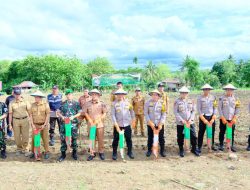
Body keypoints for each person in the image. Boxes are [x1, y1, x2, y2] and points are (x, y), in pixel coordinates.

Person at [174, 86, 200, 157]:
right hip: (181, 123)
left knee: (193, 136)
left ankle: (194, 149)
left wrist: (191, 119)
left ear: (187, 93)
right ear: (180, 93)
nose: (184, 94)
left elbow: (194, 111)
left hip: (190, 122)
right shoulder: (177, 101)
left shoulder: (191, 101)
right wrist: (182, 120)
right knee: (180, 137)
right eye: (182, 93)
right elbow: (176, 112)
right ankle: (181, 149)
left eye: (185, 93)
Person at [82, 89, 107, 161]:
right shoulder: (87, 103)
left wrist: (98, 120)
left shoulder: (102, 104)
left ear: (99, 95)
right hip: (91, 125)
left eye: (95, 94)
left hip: (99, 125)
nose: (94, 96)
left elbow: (104, 113)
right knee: (92, 139)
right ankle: (92, 153)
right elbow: (85, 112)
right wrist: (89, 120)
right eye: (92, 94)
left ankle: (101, 152)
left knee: (100, 139)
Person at [57, 89, 81, 162]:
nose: (69, 96)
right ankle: (63, 154)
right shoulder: (62, 103)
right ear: (66, 95)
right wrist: (62, 117)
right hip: (64, 124)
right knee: (63, 138)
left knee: (74, 138)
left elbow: (80, 113)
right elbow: (58, 112)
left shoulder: (76, 104)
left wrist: (73, 116)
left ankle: (74, 153)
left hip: (73, 124)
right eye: (67, 94)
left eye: (70, 94)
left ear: (72, 95)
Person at [111, 89, 135, 160]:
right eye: (118, 94)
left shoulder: (128, 103)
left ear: (124, 95)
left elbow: (132, 112)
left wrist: (133, 120)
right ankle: (114, 153)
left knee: (128, 139)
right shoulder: (114, 104)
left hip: (127, 125)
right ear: (116, 95)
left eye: (122, 94)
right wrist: (116, 125)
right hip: (118, 125)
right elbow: (113, 115)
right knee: (116, 139)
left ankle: (129, 152)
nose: (120, 95)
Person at [8, 87, 31, 156]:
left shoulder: (26, 102)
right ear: (14, 94)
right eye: (16, 94)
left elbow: (30, 112)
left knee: (25, 135)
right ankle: (19, 149)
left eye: (18, 94)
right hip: (15, 121)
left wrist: (31, 121)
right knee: (17, 136)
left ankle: (26, 149)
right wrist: (9, 124)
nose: (17, 96)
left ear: (20, 94)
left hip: (25, 120)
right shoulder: (11, 103)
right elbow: (10, 114)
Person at [144, 89, 167, 157]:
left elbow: (164, 114)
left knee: (161, 138)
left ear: (158, 96)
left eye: (156, 95)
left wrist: (161, 123)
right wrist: (150, 122)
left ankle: (162, 151)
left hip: (159, 124)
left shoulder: (162, 103)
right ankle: (149, 150)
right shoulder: (147, 103)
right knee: (150, 137)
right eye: (153, 94)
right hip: (150, 124)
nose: (154, 96)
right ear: (151, 95)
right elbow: (146, 113)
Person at [218, 84, 240, 152]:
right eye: (228, 89)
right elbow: (219, 108)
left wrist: (235, 117)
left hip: (232, 119)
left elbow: (237, 109)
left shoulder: (236, 99)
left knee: (231, 132)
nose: (229, 91)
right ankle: (221, 144)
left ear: (233, 91)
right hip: (224, 118)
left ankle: (231, 145)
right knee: (222, 131)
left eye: (231, 90)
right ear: (226, 90)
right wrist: (222, 117)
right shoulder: (221, 98)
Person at [29, 91, 50, 161]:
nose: (35, 98)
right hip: (35, 125)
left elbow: (48, 115)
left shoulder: (46, 104)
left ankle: (46, 152)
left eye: (37, 97)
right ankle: (33, 152)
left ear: (40, 98)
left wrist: (44, 124)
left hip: (44, 125)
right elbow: (30, 115)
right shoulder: (32, 105)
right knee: (34, 139)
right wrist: (32, 124)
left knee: (45, 139)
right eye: (35, 97)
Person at [197, 84, 217, 153]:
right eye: (205, 89)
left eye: (208, 89)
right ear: (203, 90)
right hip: (203, 117)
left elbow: (215, 108)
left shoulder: (213, 97)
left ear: (210, 90)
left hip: (211, 117)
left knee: (211, 132)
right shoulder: (200, 98)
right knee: (201, 132)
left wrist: (213, 117)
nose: (207, 91)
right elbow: (199, 110)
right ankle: (199, 146)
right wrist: (203, 119)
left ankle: (211, 145)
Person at [0, 93, 8, 159]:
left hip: (1, 125)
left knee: (1, 138)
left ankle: (3, 151)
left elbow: (5, 114)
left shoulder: (3, 105)